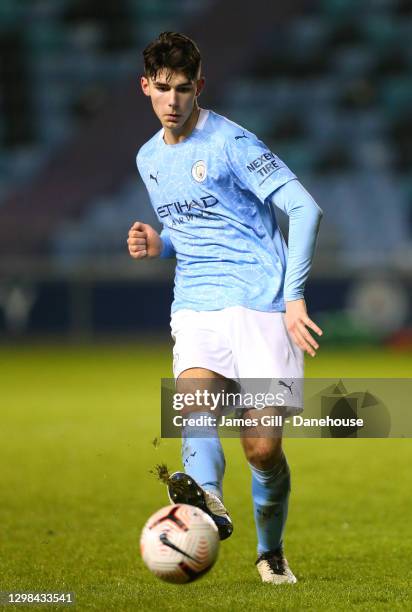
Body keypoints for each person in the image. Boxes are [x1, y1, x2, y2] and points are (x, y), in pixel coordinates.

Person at [128, 31, 323, 584]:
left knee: (261, 451)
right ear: (145, 87)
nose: (172, 101)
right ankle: (206, 498)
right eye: (162, 89)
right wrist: (159, 241)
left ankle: (270, 552)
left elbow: (304, 211)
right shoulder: (148, 158)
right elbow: (192, 228)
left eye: (183, 90)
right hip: (195, 306)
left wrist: (293, 297)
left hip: (262, 306)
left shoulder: (233, 143)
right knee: (194, 408)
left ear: (200, 87)